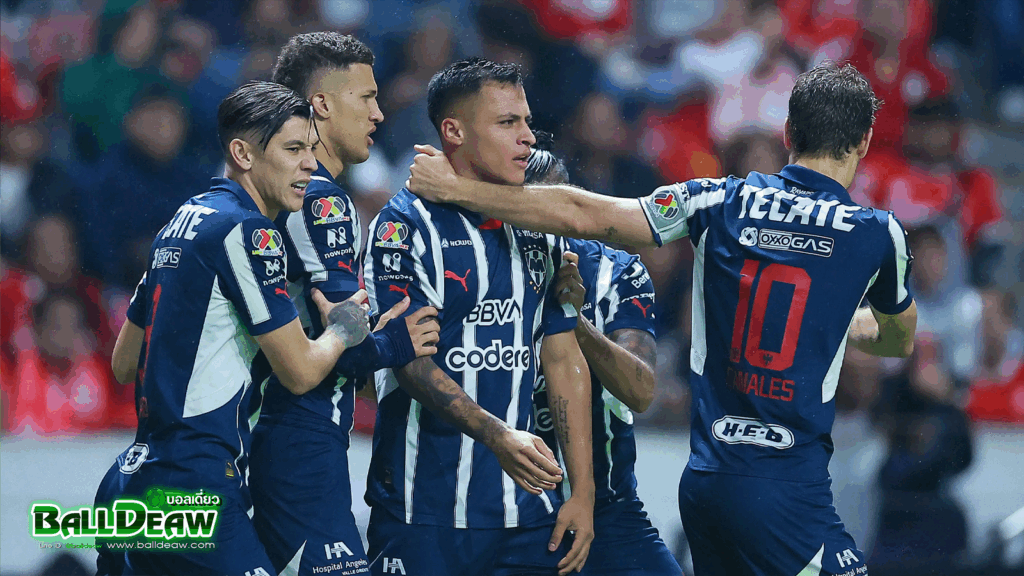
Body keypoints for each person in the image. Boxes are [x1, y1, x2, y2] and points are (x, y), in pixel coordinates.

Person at [406, 61, 919, 576]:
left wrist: (458, 189)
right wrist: (839, 321)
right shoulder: (880, 234)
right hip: (787, 487)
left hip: (707, 484)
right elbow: (898, 339)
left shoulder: (715, 200)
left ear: (787, 132)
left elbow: (586, 213)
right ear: (865, 141)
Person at [94, 81, 373, 576]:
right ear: (243, 154)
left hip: (128, 482)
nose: (310, 164)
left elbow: (123, 363)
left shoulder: (182, 219)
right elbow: (300, 373)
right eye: (293, 149)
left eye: (311, 149)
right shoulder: (249, 230)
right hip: (192, 487)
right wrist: (346, 325)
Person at [364, 58, 594, 576]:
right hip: (423, 510)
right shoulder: (403, 227)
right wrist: (497, 436)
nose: (528, 137)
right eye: (507, 122)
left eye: (526, 121)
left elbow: (561, 357)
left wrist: (582, 492)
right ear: (454, 131)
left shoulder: (537, 225)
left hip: (529, 512)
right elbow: (409, 362)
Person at [247, 32, 441, 576]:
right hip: (296, 434)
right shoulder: (319, 197)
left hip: (280, 434)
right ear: (322, 105)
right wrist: (396, 341)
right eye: (366, 98)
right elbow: (343, 346)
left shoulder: (281, 188)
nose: (378, 113)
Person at [525, 144, 684, 576]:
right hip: (512, 512)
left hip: (610, 509)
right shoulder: (487, 266)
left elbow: (640, 390)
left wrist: (575, 321)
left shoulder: (618, 272)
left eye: (556, 208)